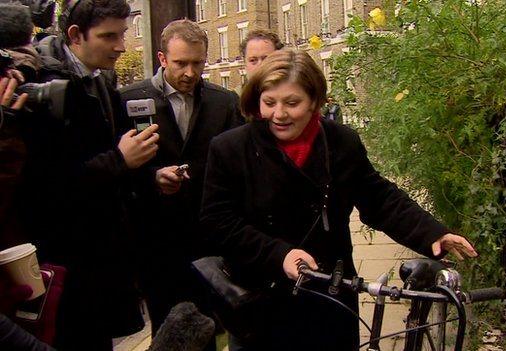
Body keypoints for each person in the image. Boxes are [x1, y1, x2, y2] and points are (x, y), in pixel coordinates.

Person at [199, 49, 478, 350]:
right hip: (260, 301)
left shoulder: (341, 142)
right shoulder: (230, 148)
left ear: (315, 102)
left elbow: (379, 197)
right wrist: (279, 254)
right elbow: (217, 222)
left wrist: (431, 232)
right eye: (269, 103)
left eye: (292, 103)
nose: (279, 114)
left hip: (330, 295)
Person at [16, 0, 160, 349]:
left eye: (122, 34)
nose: (121, 46)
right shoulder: (43, 87)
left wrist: (150, 175)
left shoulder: (96, 79)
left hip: (98, 260)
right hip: (65, 263)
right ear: (75, 35)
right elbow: (45, 187)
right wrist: (119, 161)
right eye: (109, 36)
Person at [120, 19, 244, 348]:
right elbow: (115, 168)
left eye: (198, 63)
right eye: (181, 63)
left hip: (208, 241)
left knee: (212, 327)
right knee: (167, 331)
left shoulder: (224, 102)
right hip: (156, 242)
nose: (190, 72)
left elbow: (237, 168)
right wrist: (152, 178)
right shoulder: (128, 100)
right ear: (162, 59)